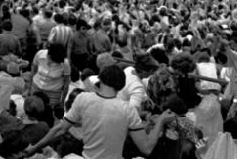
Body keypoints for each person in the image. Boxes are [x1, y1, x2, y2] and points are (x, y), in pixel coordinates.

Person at [24, 64, 174, 158]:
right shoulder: (127, 110)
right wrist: (160, 120)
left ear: (100, 80)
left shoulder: (83, 98)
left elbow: (59, 130)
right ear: (121, 87)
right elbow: (146, 148)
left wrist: (34, 148)